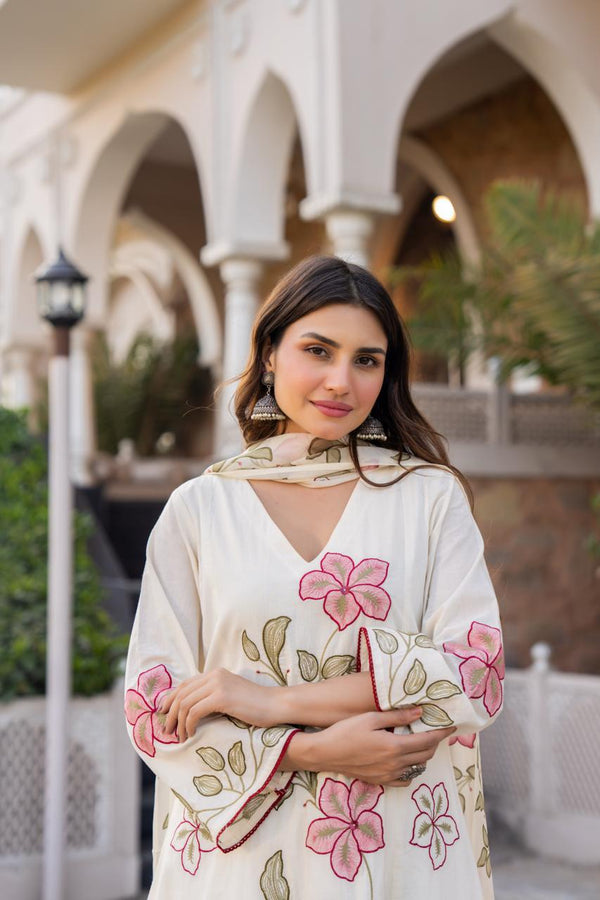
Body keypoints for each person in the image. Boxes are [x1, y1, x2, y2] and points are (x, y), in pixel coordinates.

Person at [124, 255, 503, 899]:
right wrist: (307, 752)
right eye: (318, 350)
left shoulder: (428, 499)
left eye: (366, 360)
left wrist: (271, 703)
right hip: (239, 862)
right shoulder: (201, 510)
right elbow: (151, 707)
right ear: (270, 353)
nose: (340, 381)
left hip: (399, 849)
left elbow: (476, 676)